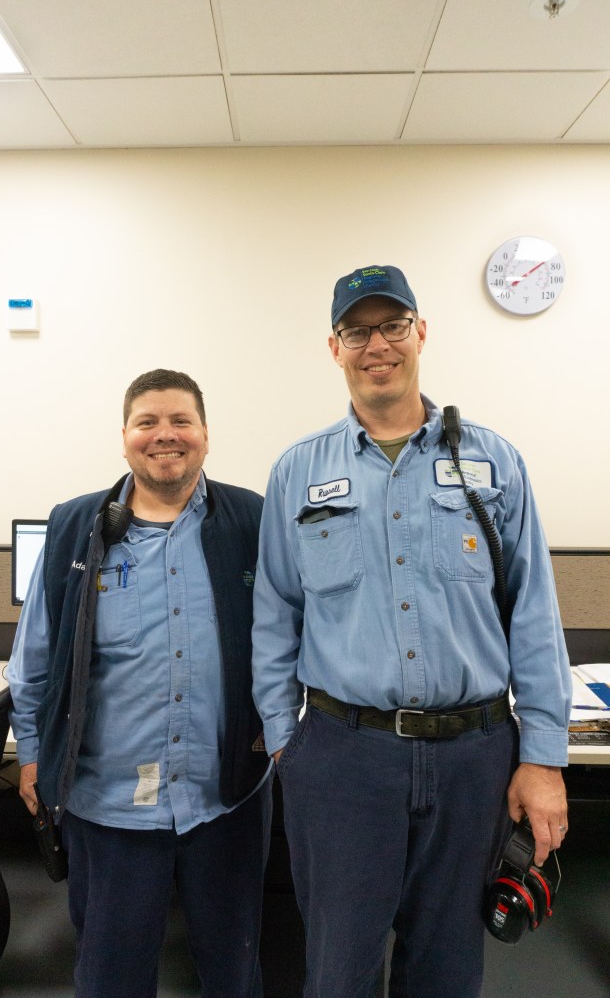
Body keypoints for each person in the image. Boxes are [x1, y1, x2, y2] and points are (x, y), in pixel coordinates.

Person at [251, 265, 572, 998]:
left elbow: (533, 613)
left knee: (447, 969)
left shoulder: (493, 461)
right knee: (339, 969)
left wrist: (543, 758)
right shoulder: (298, 470)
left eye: (393, 326)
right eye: (357, 331)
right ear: (334, 347)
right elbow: (274, 615)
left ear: (420, 333)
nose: (377, 346)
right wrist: (283, 741)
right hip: (343, 759)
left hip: (474, 758)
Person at [8, 369, 271, 998]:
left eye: (181, 420)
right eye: (146, 422)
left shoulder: (253, 520)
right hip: (110, 803)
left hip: (226, 796)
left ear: (205, 433)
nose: (165, 435)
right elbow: (35, 657)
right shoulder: (75, 526)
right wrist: (33, 754)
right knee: (111, 975)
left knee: (233, 971)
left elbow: (289, 642)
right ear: (125, 436)